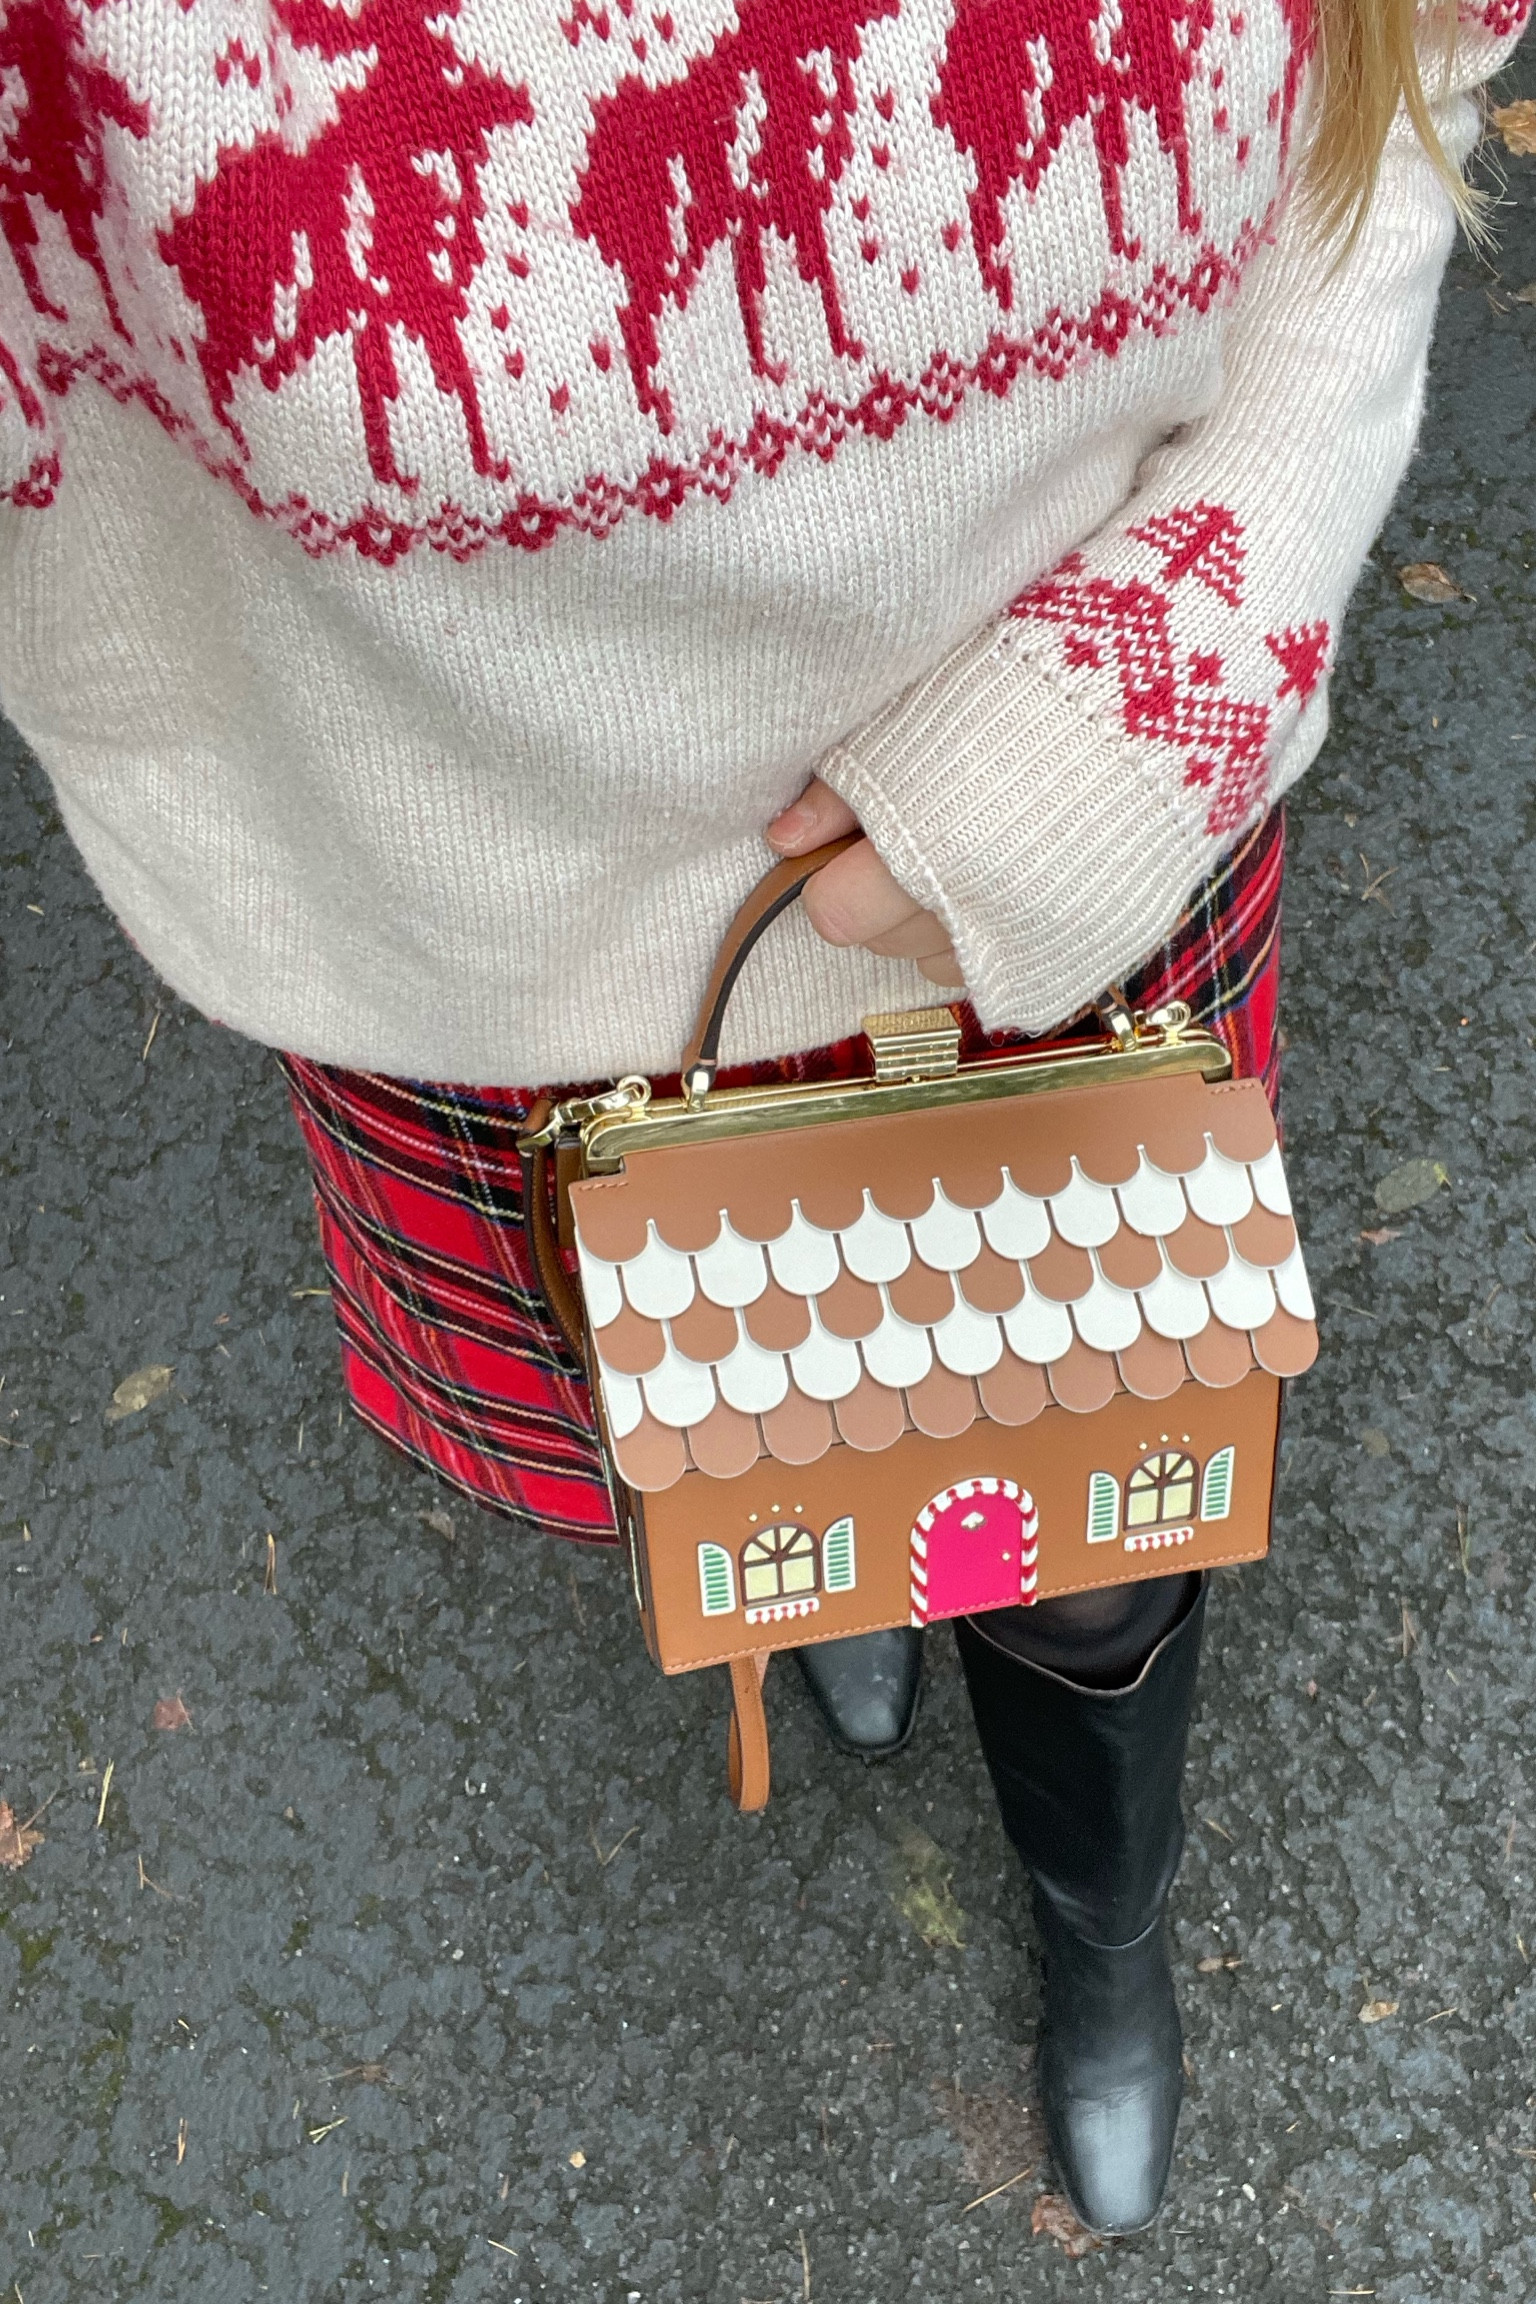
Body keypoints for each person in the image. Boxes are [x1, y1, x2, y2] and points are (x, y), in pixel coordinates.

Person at [2, 0, 1525, 2237]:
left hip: (1077, 826)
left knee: (1096, 1517)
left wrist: (1173, 660)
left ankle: (1102, 1918)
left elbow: (1400, 91)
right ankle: (859, 1574)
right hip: (507, 971)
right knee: (797, 1438)